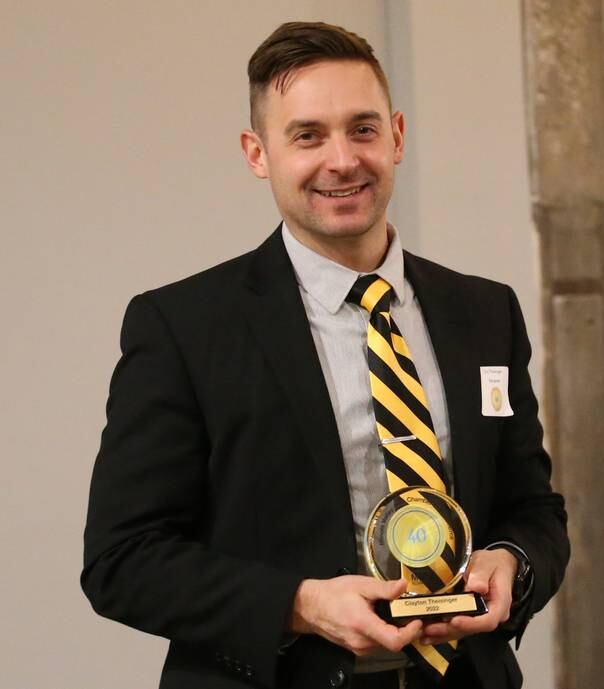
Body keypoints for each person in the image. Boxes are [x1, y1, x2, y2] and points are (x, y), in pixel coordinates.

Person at [82, 21, 569, 689]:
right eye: (307, 135)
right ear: (259, 153)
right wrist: (301, 604)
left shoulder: (485, 313)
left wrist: (513, 561)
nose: (342, 160)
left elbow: (534, 510)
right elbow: (123, 559)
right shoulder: (183, 327)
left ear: (396, 137)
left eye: (362, 129)